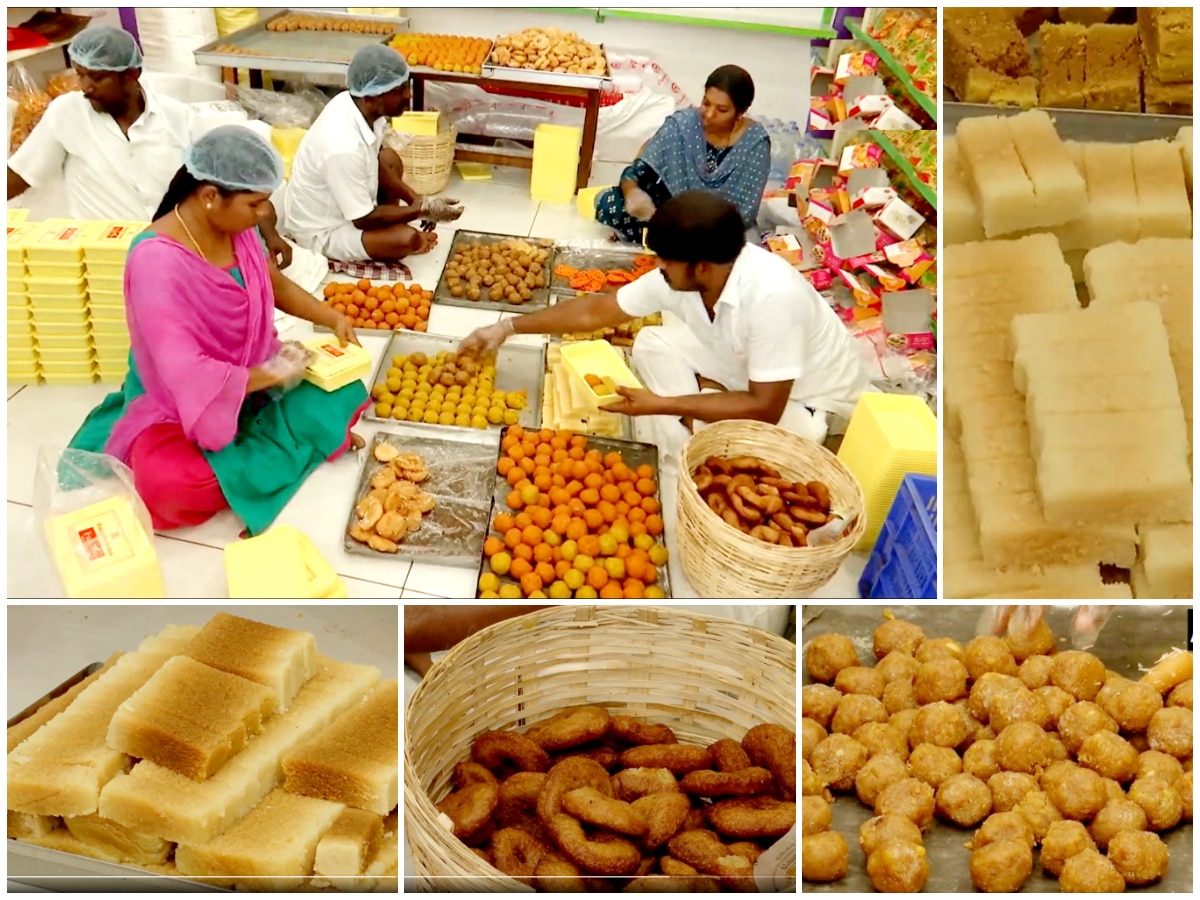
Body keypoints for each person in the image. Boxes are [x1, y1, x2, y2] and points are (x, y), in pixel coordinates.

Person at [67, 127, 369, 535]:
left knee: (347, 389)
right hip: (179, 405)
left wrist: (330, 316)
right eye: (256, 203)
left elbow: (272, 282)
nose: (264, 214)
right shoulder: (156, 262)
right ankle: (290, 451)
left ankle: (268, 455)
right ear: (210, 196)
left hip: (253, 380)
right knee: (170, 485)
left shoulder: (237, 230)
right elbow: (184, 371)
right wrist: (274, 374)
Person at [463, 191, 868, 456]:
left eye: (665, 260)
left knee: (769, 443)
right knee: (654, 341)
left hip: (806, 402)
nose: (657, 268)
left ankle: (694, 426)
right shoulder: (687, 273)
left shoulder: (773, 298)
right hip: (746, 370)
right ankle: (704, 414)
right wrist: (506, 329)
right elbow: (597, 311)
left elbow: (765, 407)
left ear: (701, 267)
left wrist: (663, 403)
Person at [6, 25, 292, 268]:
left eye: (96, 76)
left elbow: (236, 180)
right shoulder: (66, 113)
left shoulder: (178, 118)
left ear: (131, 74)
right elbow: (18, 176)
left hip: (176, 253)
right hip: (105, 258)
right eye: (80, 74)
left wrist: (270, 235)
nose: (85, 86)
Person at [280, 44, 462, 264]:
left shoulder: (355, 105)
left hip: (347, 202)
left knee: (390, 159)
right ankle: (387, 232)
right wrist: (420, 211)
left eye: (406, 86)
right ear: (370, 98)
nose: (408, 95)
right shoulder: (341, 146)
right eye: (398, 90)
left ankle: (387, 225)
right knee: (407, 239)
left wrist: (417, 200)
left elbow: (374, 161)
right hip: (324, 230)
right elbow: (362, 219)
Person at [595, 65, 771, 244]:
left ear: (740, 112)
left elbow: (745, 213)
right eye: (706, 103)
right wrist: (634, 194)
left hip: (721, 228)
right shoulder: (683, 124)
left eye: (722, 110)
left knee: (747, 244)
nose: (709, 114)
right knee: (608, 202)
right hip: (671, 217)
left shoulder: (754, 144)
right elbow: (635, 173)